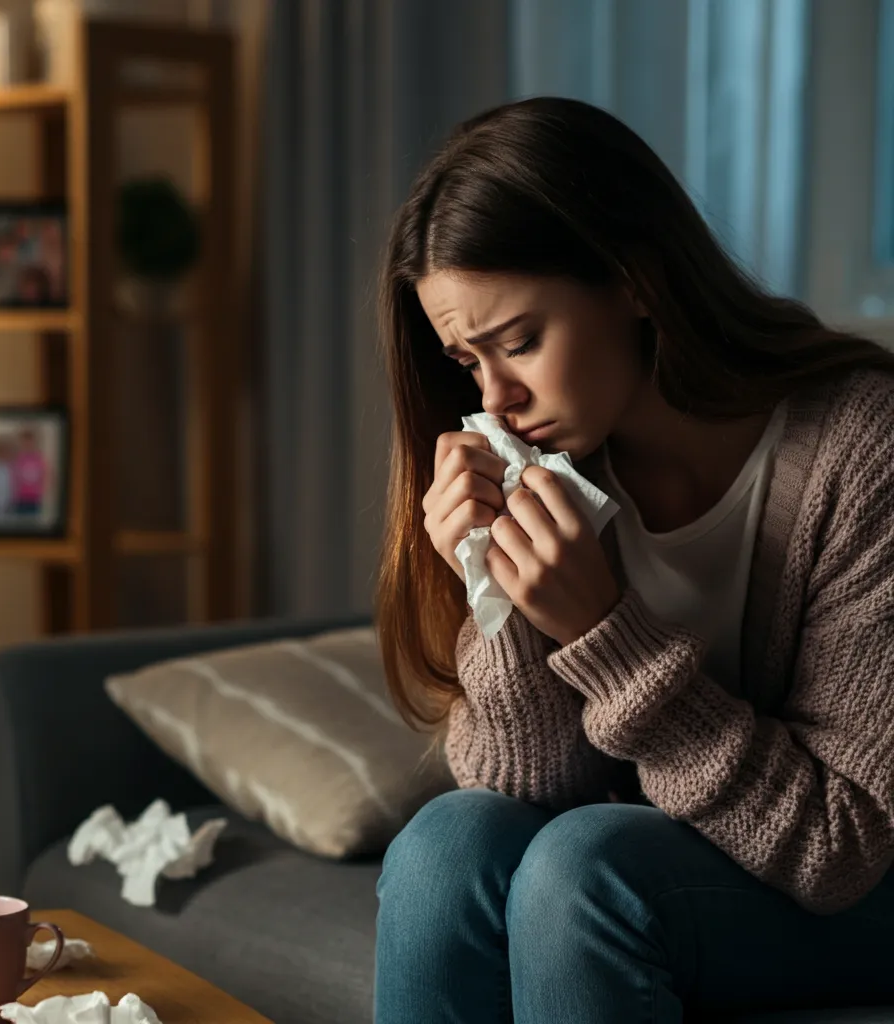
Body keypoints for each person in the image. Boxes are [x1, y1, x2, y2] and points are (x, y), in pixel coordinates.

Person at [373, 97, 894, 1023]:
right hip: (690, 855)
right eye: (468, 362)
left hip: (863, 885)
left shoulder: (863, 448)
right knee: (446, 841)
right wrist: (496, 594)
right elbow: (525, 789)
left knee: (584, 870)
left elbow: (841, 845)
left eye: (522, 341)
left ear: (635, 280)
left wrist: (602, 632)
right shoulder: (563, 466)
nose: (499, 397)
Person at [10, 427, 48, 515]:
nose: (27, 445)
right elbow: (13, 477)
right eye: (24, 443)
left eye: (29, 442)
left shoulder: (39, 458)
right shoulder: (18, 458)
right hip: (20, 497)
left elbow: (45, 475)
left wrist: (43, 491)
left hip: (35, 497)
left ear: (34, 442)